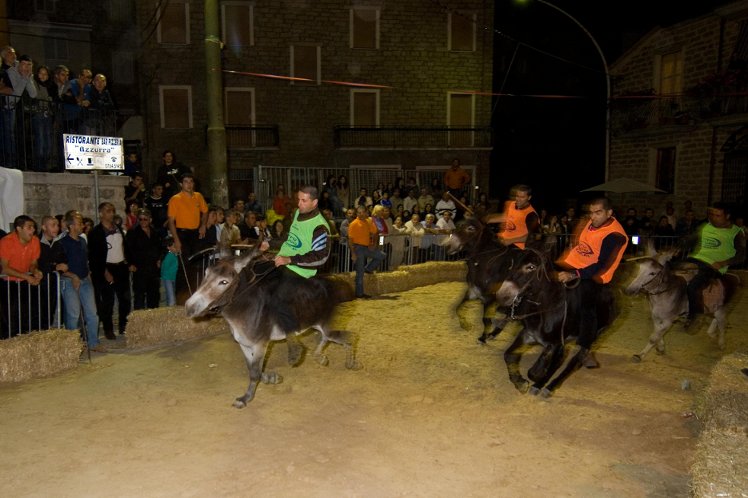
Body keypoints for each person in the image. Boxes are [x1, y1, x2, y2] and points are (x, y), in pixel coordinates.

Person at [556, 197, 628, 368]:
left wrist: (574, 274)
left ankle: (584, 350)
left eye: (598, 213)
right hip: (573, 263)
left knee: (588, 309)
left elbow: (601, 265)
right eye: (591, 213)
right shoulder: (588, 222)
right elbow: (579, 243)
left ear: (609, 213)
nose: (593, 217)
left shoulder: (615, 236)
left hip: (595, 275)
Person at [685, 202, 746, 323]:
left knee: (692, 286)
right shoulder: (705, 226)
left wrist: (723, 263)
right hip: (696, 259)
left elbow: (742, 255)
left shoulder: (737, 233)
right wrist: (676, 248)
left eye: (717, 215)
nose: (713, 217)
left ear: (727, 216)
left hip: (713, 266)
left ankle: (693, 316)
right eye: (711, 214)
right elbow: (690, 240)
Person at [58, 210, 103, 351]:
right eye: (79, 223)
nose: (82, 225)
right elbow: (59, 266)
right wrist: (73, 276)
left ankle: (93, 343)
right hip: (69, 281)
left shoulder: (83, 240)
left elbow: (85, 261)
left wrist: (88, 276)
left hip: (84, 279)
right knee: (73, 315)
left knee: (92, 313)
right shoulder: (62, 243)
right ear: (71, 226)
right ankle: (73, 346)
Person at [88, 202, 131, 339]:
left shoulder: (118, 228)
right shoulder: (95, 233)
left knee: (125, 299)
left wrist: (126, 261)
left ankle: (123, 326)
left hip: (121, 267)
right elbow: (94, 256)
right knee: (108, 301)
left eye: (112, 210)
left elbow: (124, 246)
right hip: (106, 268)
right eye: (107, 211)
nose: (111, 213)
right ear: (101, 213)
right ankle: (108, 329)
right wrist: (105, 272)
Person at [273, 185, 331, 278]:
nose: (299, 204)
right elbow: (291, 238)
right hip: (282, 264)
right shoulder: (297, 213)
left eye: (303, 201)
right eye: (298, 199)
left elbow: (320, 257)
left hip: (300, 273)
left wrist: (290, 259)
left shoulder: (320, 226)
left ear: (314, 202)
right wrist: (270, 244)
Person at [0, 215, 43, 336]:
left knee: (26, 315)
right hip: (8, 283)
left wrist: (35, 271)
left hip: (24, 282)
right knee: (9, 317)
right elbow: (5, 268)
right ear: (19, 229)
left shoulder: (35, 241)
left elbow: (33, 263)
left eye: (33, 227)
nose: (33, 230)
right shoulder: (6, 241)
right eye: (29, 227)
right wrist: (27, 277)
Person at [126, 209, 162, 310]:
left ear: (150, 220)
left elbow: (159, 247)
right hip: (139, 268)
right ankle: (139, 321)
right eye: (140, 219)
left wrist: (159, 259)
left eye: (145, 219)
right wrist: (130, 264)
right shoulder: (133, 232)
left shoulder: (155, 232)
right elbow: (127, 249)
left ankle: (152, 319)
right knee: (139, 296)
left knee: (154, 295)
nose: (142, 221)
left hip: (153, 268)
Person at [167, 173, 208, 259]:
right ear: (181, 184)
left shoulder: (198, 196)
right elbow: (171, 222)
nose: (189, 184)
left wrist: (203, 225)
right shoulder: (175, 199)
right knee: (185, 261)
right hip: (182, 234)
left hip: (196, 233)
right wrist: (176, 239)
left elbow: (205, 211)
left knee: (197, 259)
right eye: (186, 182)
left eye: (191, 182)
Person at [347, 205, 386, 298]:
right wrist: (353, 253)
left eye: (362, 212)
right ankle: (359, 294)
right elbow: (350, 239)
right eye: (358, 213)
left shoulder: (370, 220)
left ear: (366, 212)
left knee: (382, 255)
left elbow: (376, 232)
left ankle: (368, 269)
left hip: (367, 246)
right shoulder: (354, 223)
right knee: (359, 272)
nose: (360, 214)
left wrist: (374, 244)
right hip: (358, 248)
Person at [485, 184, 540, 249]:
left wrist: (510, 241)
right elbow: (505, 217)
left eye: (522, 197)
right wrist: (488, 219)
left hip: (516, 247)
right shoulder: (512, 204)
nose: (518, 199)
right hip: (502, 241)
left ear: (529, 197)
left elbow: (532, 236)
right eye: (517, 196)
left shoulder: (531, 215)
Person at [37, 215, 68, 329]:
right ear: (44, 227)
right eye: (53, 225)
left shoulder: (58, 243)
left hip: (54, 282)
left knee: (52, 309)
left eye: (57, 225)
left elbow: (63, 262)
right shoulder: (36, 242)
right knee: (40, 311)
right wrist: (54, 267)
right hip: (40, 284)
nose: (56, 228)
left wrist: (60, 266)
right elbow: (37, 263)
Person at [31, 64, 54, 172]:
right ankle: (39, 164)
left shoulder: (49, 86)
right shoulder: (34, 83)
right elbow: (36, 96)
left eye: (45, 74)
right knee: (40, 139)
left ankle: (45, 163)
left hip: (48, 115)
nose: (43, 76)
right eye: (41, 73)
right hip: (38, 114)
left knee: (48, 141)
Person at [161, 237, 178, 306]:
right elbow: (164, 267)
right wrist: (164, 276)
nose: (176, 248)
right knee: (172, 299)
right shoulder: (169, 256)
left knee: (170, 295)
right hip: (168, 278)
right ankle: (170, 312)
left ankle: (168, 311)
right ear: (168, 247)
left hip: (173, 278)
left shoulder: (174, 255)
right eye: (174, 246)